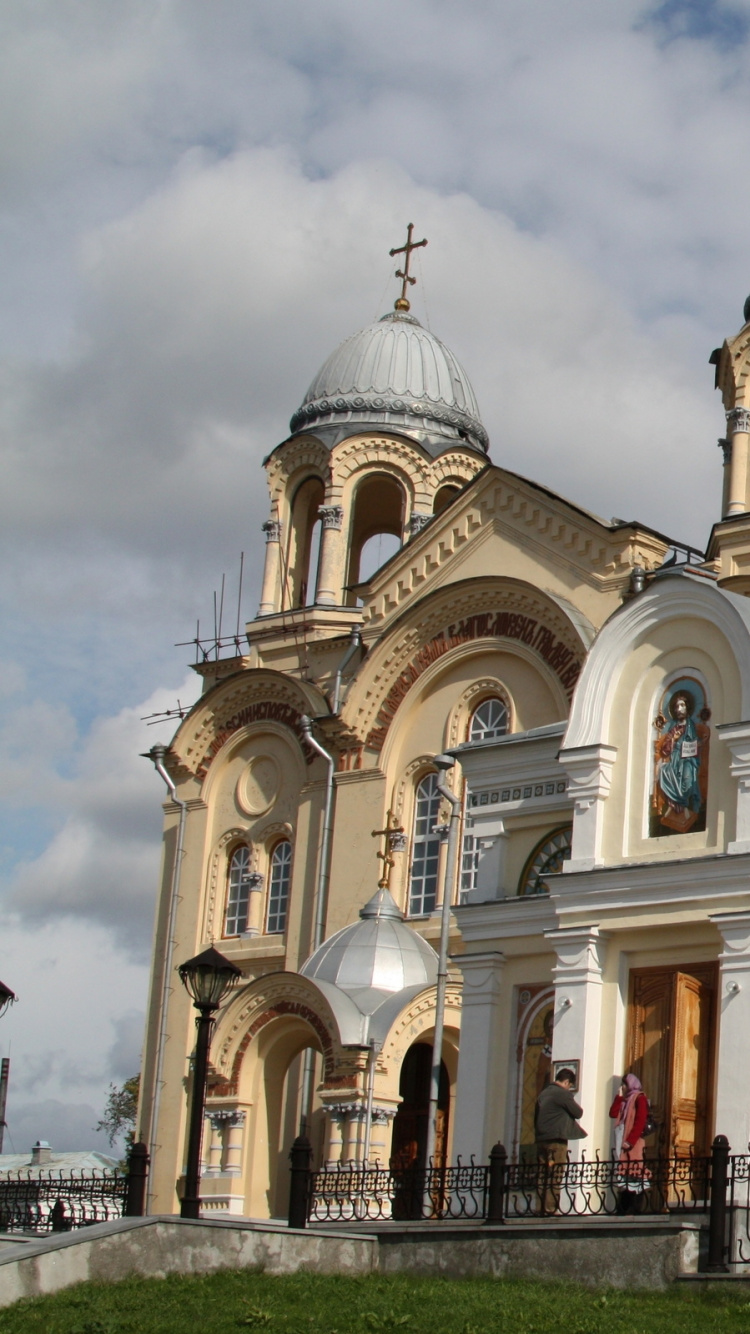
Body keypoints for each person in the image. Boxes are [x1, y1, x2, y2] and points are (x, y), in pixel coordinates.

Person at [651, 690, 709, 836]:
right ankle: (678, 811)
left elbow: (697, 743)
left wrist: (699, 744)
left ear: (687, 708)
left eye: (682, 706)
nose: (679, 709)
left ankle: (687, 810)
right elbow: (665, 751)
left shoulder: (691, 726)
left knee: (688, 780)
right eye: (676, 707)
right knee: (664, 772)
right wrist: (673, 739)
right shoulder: (673, 728)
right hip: (675, 758)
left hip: (689, 760)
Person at [534, 1067, 587, 1215]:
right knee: (555, 1174)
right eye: (569, 1085)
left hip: (542, 1139)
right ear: (566, 1082)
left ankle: (540, 1207)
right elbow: (578, 1112)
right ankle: (550, 1208)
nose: (569, 1088)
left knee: (542, 1174)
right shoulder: (562, 1094)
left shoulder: (543, 1093)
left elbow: (536, 1116)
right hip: (556, 1140)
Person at [609, 1073, 651, 1214]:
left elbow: (640, 1120)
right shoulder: (625, 1100)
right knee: (624, 1174)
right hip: (623, 1142)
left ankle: (634, 1207)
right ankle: (623, 1207)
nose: (623, 1087)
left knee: (634, 1172)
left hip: (633, 1143)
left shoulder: (640, 1098)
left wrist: (630, 1141)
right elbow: (613, 1113)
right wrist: (619, 1097)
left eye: (625, 1084)